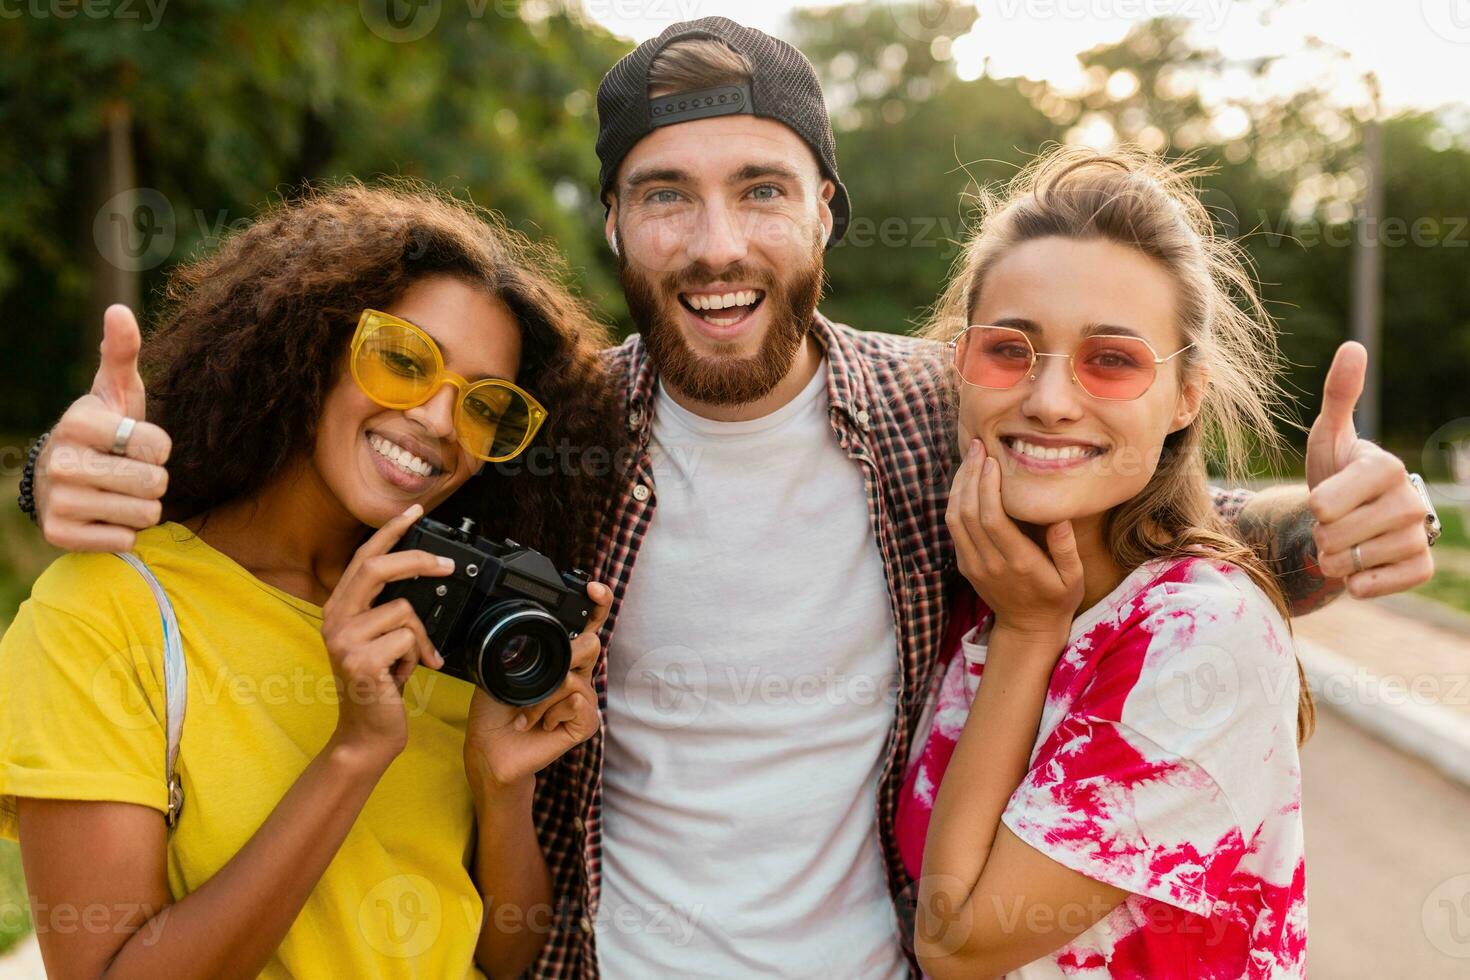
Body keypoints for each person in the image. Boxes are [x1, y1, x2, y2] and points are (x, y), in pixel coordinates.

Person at [18, 18, 1436, 979]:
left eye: (759, 190)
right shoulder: (532, 440)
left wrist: (1330, 533)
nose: (715, 244)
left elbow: (1128, 526)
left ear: (822, 207)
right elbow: (313, 491)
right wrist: (60, 473)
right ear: (614, 222)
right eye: (663, 196)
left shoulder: (936, 410)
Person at [0, 181, 620, 979]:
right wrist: (354, 753)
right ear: (313, 345)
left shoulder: (450, 623)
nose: (437, 421)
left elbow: (504, 955)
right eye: (403, 359)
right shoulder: (105, 613)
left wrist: (499, 790)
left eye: (484, 406)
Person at [898, 148, 1310, 979]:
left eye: (1111, 360)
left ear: (1186, 395)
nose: (1050, 400)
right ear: (960, 364)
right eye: (1009, 349)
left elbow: (955, 942)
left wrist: (1027, 633)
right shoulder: (985, 581)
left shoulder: (1203, 633)